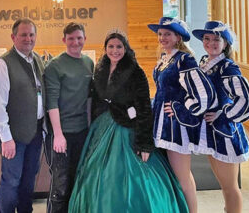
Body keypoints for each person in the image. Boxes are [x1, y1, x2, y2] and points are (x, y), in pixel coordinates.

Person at [68, 30, 188, 213]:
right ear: (105, 48)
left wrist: (145, 143)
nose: (115, 50)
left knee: (134, 175)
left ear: (125, 48)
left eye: (119, 46)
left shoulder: (135, 71)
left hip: (128, 129)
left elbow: (144, 108)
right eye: (111, 46)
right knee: (97, 175)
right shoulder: (100, 68)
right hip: (102, 129)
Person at [147, 17, 215, 213]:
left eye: (167, 34)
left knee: (183, 178)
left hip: (176, 128)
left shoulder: (184, 60)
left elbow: (204, 93)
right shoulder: (165, 59)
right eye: (160, 34)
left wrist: (181, 109)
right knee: (174, 177)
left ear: (178, 37)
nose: (162, 38)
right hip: (162, 125)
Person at [192, 21, 249, 213]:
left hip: (225, 135)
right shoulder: (205, 62)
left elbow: (247, 100)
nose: (210, 43)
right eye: (207, 38)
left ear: (225, 43)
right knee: (224, 186)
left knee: (230, 188)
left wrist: (224, 113)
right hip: (212, 133)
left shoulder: (227, 67)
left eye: (216, 39)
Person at [0, 18, 45, 213]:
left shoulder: (37, 59)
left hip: (35, 132)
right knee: (12, 180)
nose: (28, 39)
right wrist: (6, 138)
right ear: (13, 37)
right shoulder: (3, 65)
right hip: (12, 135)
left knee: (29, 178)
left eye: (31, 34)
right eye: (23, 35)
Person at [43, 22, 93, 213]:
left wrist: (89, 130)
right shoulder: (55, 66)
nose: (75, 42)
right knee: (60, 186)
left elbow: (89, 99)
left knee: (77, 180)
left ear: (85, 39)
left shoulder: (89, 63)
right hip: (61, 135)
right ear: (64, 40)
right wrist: (58, 135)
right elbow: (52, 103)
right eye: (71, 38)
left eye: (79, 38)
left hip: (82, 132)